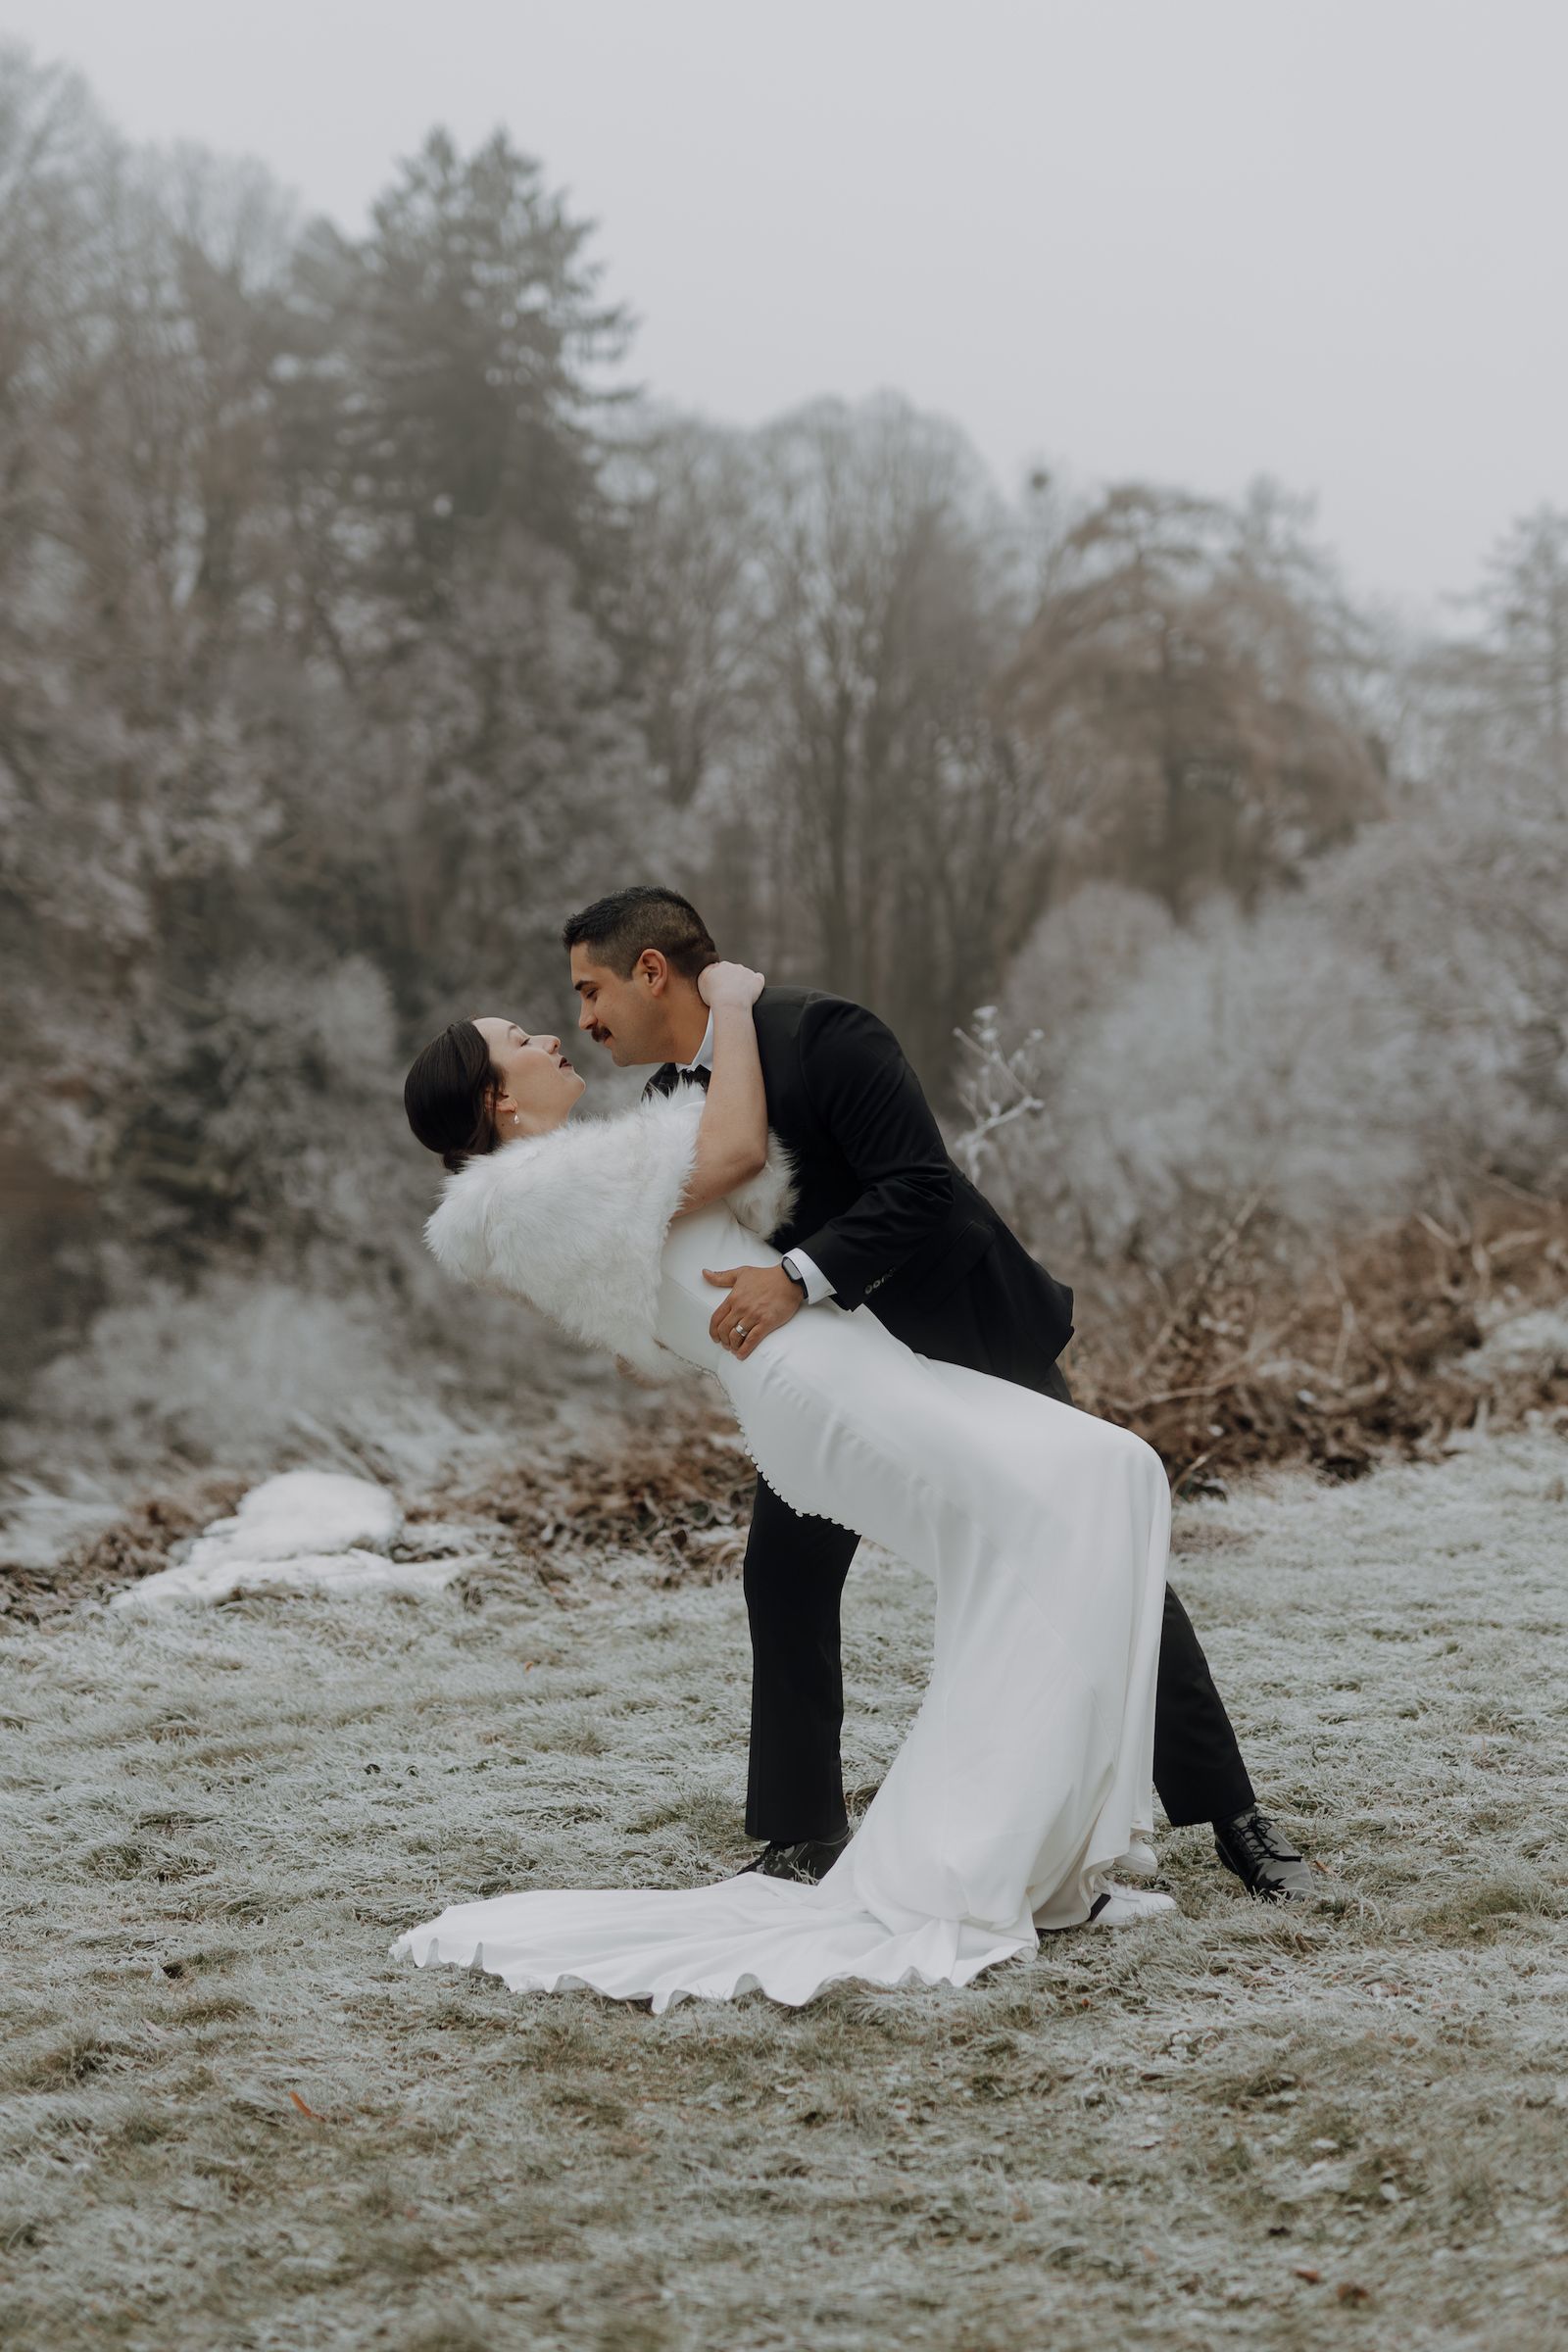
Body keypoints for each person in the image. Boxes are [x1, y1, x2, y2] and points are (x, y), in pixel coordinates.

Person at [394, 960, 1174, 2010]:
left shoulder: (550, 1188)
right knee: (1068, 1500)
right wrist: (730, 1008)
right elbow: (735, 1148)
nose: (551, 1037)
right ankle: (975, 1858)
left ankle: (1039, 1851)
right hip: (818, 1384)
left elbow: (662, 1301)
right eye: (521, 1042)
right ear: (497, 1100)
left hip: (841, 1360)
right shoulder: (539, 1188)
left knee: (1096, 1479)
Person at [564, 887, 1313, 1904]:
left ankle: (1235, 1818)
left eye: (590, 989)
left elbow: (915, 1185)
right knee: (783, 1577)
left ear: (651, 970)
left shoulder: (824, 1034)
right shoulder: (664, 1111)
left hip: (966, 1334)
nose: (584, 1018)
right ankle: (801, 1837)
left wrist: (796, 1280)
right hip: (834, 1381)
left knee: (1093, 1538)